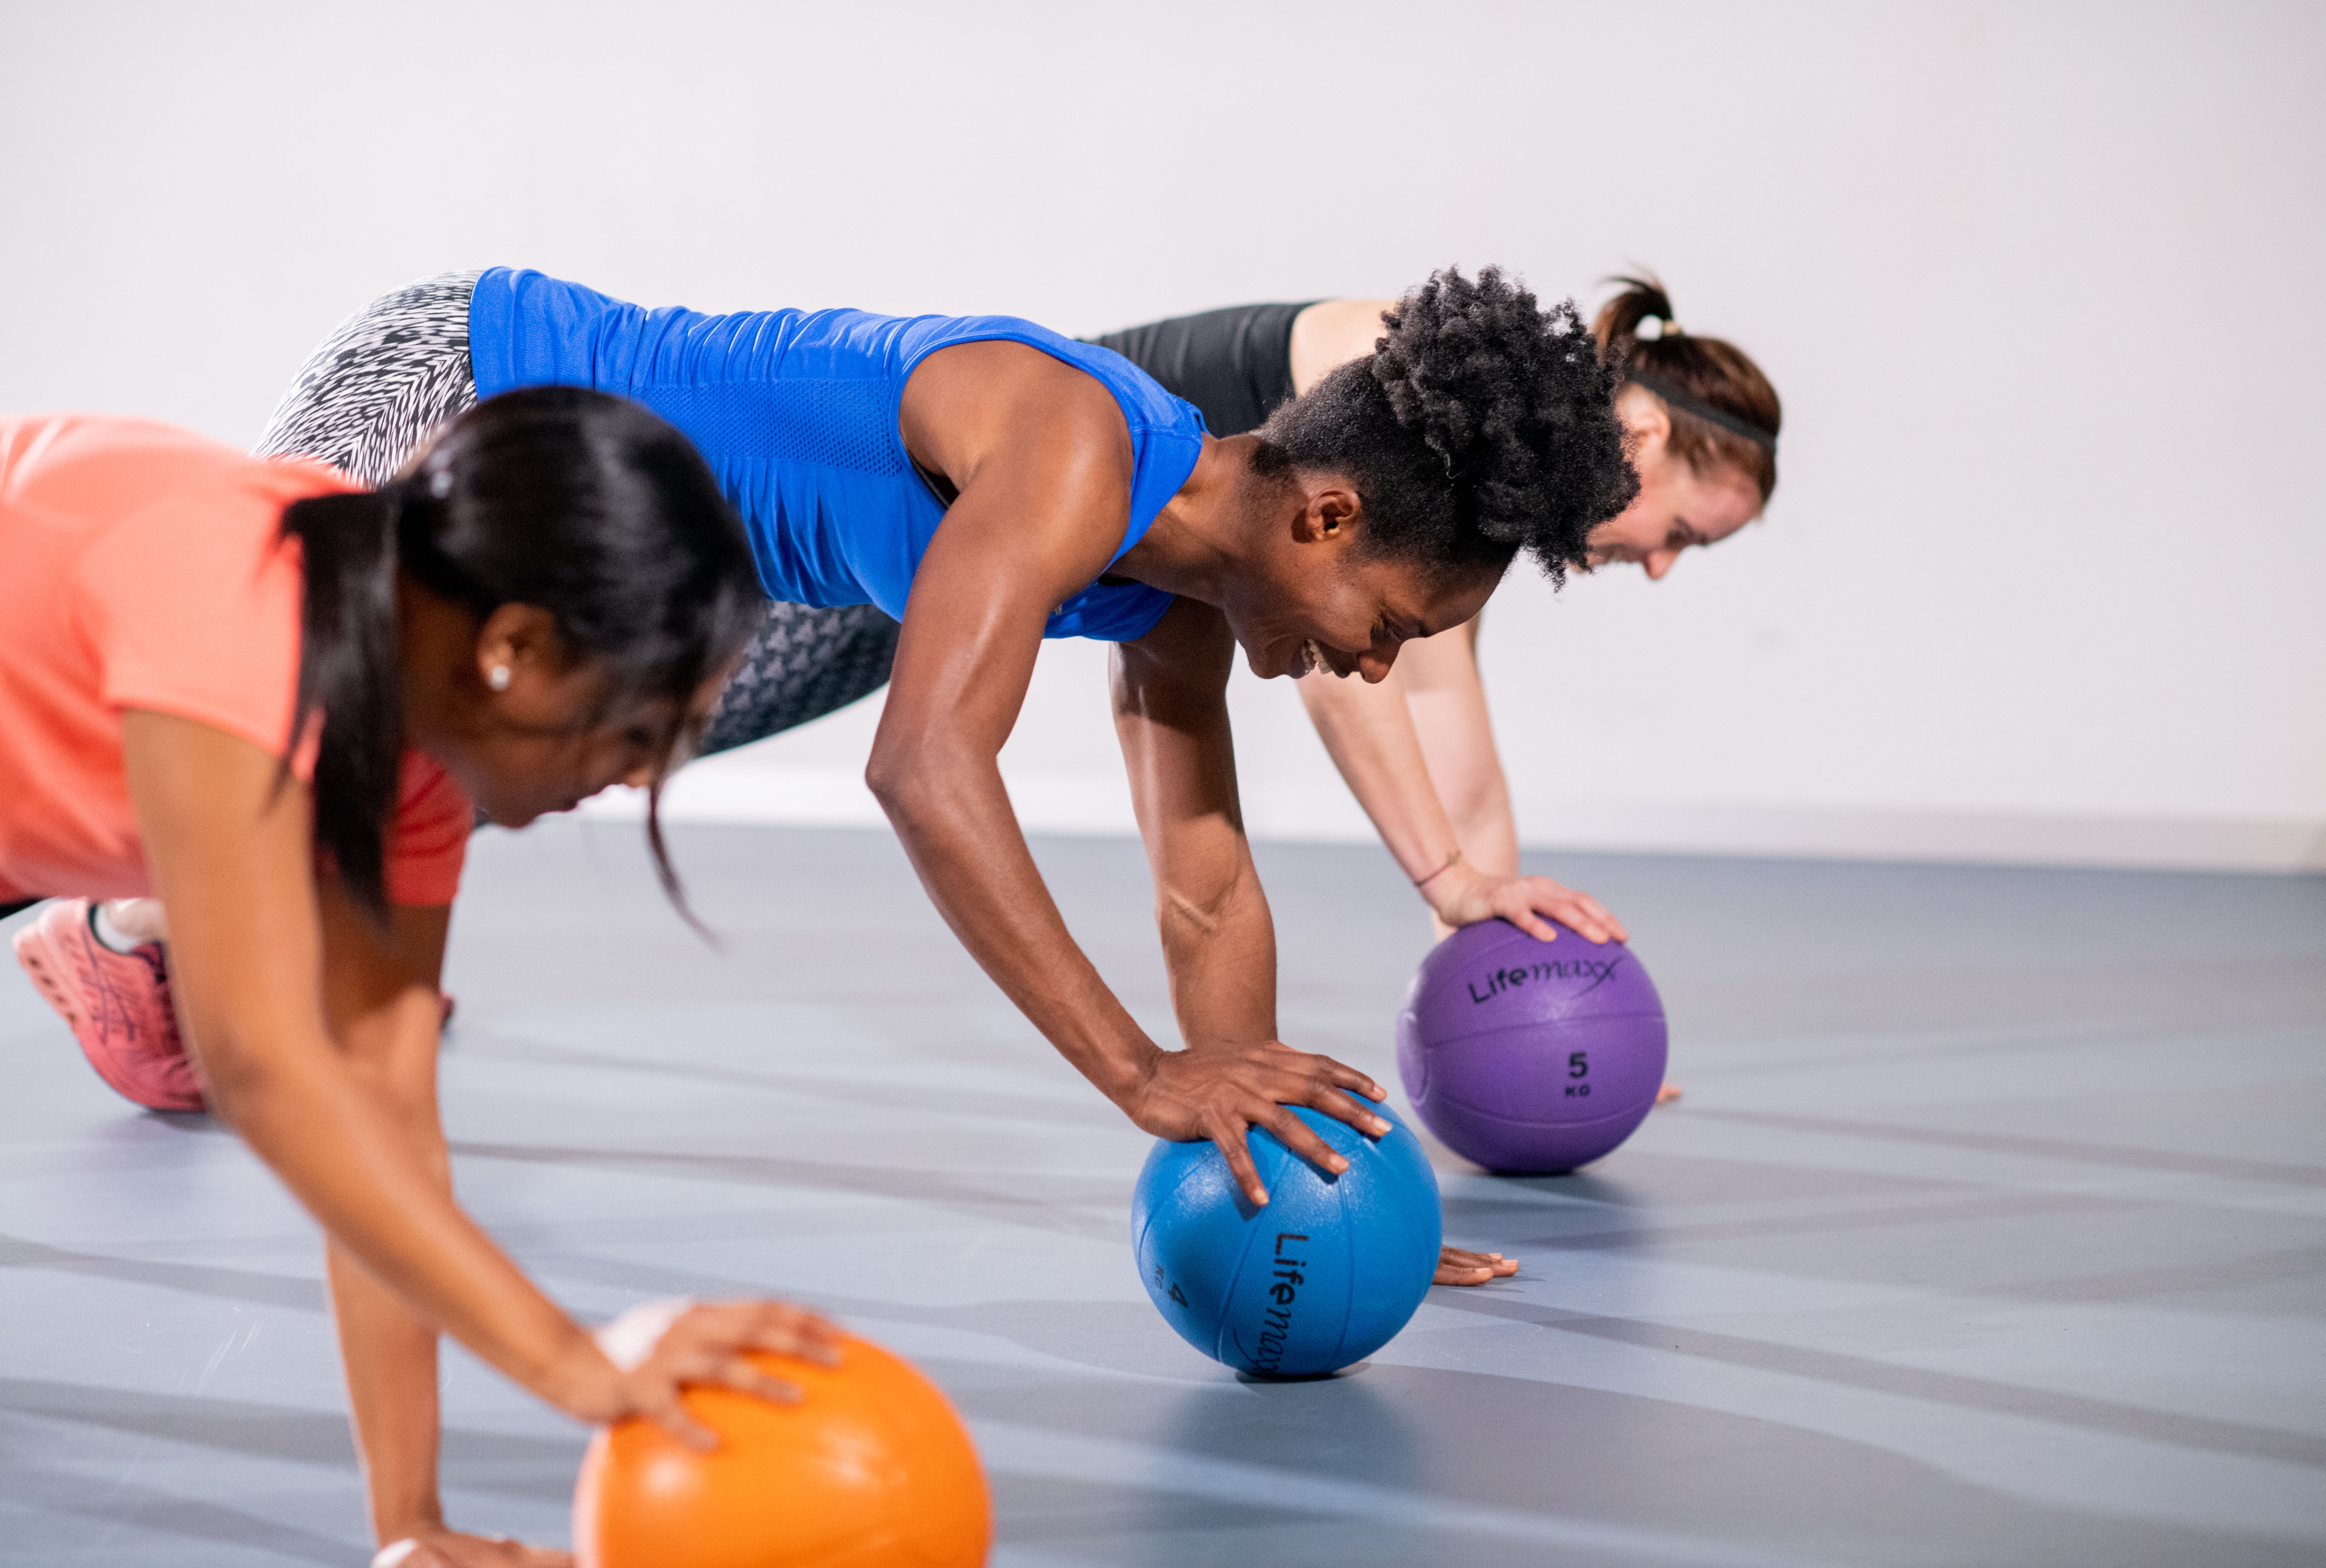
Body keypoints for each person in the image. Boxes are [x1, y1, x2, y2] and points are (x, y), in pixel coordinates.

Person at [18, 265, 1636, 1306]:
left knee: (315, 796)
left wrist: (1290, 1176)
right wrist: (1142, 1074)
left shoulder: (1170, 604)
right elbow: (926, 766)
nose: (1374, 665)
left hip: (668, 544)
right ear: (1327, 520)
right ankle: (112, 925)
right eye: (1394, 628)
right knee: (241, 725)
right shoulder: (1079, 443)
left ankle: (123, 929)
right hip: (478, 382)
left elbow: (1200, 872)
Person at [1, 392, 842, 1568]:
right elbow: (261, 1066)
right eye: (641, 729)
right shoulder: (240, 611)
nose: (637, 778)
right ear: (517, 650)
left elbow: (386, 1119)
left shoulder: (420, 758)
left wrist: (412, 1529)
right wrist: (575, 1366)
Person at [1094, 279, 1782, 1124]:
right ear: (1643, 435)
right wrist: (1446, 878)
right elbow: (1338, 678)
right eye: (1681, 533)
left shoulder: (1477, 496)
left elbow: (1466, 776)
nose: (1662, 566)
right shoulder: (1415, 410)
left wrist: (1535, 1017)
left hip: (1124, 566)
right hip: (1045, 488)